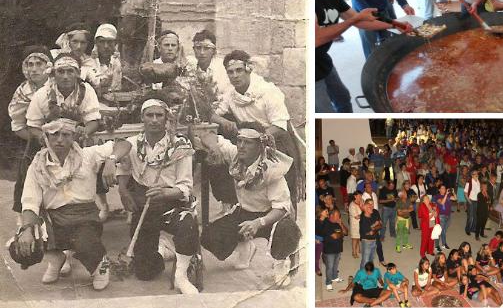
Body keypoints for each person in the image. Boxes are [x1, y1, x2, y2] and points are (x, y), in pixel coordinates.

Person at [15, 117, 130, 290]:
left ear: (74, 136)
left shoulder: (88, 155)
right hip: (53, 218)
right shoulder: (37, 165)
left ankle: (100, 266)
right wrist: (26, 230)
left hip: (84, 216)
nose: (60, 139)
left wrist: (112, 160)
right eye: (54, 134)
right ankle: (56, 259)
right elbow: (30, 202)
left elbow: (124, 143)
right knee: (21, 246)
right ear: (46, 136)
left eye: (66, 135)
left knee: (85, 245)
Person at [197, 123, 301, 287]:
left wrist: (258, 223)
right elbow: (207, 135)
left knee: (286, 231)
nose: (241, 146)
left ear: (260, 145)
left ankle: (281, 263)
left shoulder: (272, 169)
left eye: (248, 142)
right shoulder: (236, 155)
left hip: (272, 217)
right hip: (245, 212)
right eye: (239, 141)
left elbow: (281, 208)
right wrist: (214, 147)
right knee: (209, 236)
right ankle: (246, 246)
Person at [115, 99, 200, 293]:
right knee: (144, 272)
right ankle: (164, 251)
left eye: (159, 115)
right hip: (145, 206)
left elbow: (186, 186)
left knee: (187, 224)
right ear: (142, 118)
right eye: (149, 115)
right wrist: (123, 189)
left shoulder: (180, 145)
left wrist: (165, 193)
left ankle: (181, 276)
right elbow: (123, 166)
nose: (154, 120)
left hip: (173, 203)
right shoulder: (132, 143)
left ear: (166, 118)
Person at [315, 0, 409, 113]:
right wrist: (352, 20)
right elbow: (315, 39)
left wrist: (394, 25)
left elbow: (362, 21)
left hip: (323, 60)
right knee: (324, 111)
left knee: (343, 98)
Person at [213, 50, 302, 215]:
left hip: (276, 143)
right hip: (249, 143)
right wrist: (223, 121)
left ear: (249, 69)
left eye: (239, 70)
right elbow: (212, 113)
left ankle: (287, 228)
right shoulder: (230, 94)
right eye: (230, 72)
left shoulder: (268, 91)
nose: (235, 76)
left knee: (282, 193)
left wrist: (258, 139)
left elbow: (280, 125)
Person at [8, 49, 51, 219]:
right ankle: (25, 221)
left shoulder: (58, 84)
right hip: (34, 140)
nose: (34, 69)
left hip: (63, 138)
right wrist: (39, 139)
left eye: (38, 64)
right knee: (28, 178)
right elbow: (17, 125)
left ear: (48, 66)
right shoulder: (23, 91)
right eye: (29, 64)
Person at [82, 24, 122, 94]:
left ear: (115, 43)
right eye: (102, 42)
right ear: (96, 43)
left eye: (109, 42)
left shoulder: (121, 63)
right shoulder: (88, 64)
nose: (106, 46)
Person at [321, 209, 348, 291]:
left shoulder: (338, 223)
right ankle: (328, 283)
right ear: (331, 215)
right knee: (329, 267)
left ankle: (335, 277)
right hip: (329, 251)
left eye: (339, 216)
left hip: (338, 249)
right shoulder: (326, 224)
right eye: (337, 216)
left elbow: (346, 233)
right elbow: (335, 236)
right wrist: (341, 234)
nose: (339, 217)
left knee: (335, 266)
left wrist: (341, 224)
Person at [359, 199, 381, 269]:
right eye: (369, 207)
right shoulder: (363, 220)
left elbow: (380, 225)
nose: (372, 207)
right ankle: (361, 276)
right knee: (365, 260)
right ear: (365, 210)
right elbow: (370, 233)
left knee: (371, 259)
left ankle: (370, 273)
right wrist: (375, 225)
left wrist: (373, 227)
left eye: (372, 205)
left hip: (374, 240)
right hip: (367, 241)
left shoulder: (373, 215)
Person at [432, 184, 455, 250]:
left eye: (444, 188)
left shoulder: (448, 195)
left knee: (444, 230)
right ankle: (437, 246)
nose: (443, 189)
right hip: (441, 216)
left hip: (448, 215)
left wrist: (453, 192)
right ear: (439, 190)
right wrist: (446, 195)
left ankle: (444, 244)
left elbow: (455, 198)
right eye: (442, 188)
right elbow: (442, 203)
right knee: (439, 231)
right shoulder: (437, 196)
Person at [464, 170, 480, 236]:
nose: (476, 174)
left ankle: (473, 228)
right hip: (471, 200)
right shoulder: (469, 182)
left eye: (477, 173)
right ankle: (467, 229)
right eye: (475, 174)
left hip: (477, 201)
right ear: (472, 175)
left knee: (475, 216)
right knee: (470, 217)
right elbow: (465, 193)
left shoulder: (478, 181)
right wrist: (469, 201)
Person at [349, 191, 363, 258]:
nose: (360, 197)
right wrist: (364, 213)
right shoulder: (352, 205)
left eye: (361, 195)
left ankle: (360, 249)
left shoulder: (362, 202)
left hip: (362, 223)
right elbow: (357, 217)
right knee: (355, 238)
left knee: (360, 237)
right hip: (355, 224)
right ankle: (354, 252)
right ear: (355, 196)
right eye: (359, 196)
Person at [315, 207, 328, 276]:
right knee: (317, 256)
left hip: (325, 241)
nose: (327, 212)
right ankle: (317, 269)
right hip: (317, 242)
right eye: (325, 211)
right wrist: (314, 240)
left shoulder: (327, 221)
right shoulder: (315, 222)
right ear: (320, 213)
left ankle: (329, 268)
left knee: (327, 255)